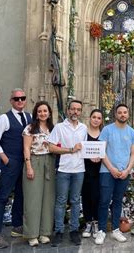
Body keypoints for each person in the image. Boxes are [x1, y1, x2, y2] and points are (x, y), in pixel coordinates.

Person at [0, 88, 31, 248]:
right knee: (2, 198)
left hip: (25, 163)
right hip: (11, 163)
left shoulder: (29, 117)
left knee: (21, 195)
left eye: (22, 98)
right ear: (11, 101)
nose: (20, 101)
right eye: (16, 99)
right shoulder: (4, 119)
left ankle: (17, 225)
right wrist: (6, 160)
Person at [94, 104, 134, 245]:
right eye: (120, 112)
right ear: (116, 114)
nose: (122, 115)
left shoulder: (132, 133)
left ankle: (115, 230)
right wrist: (111, 168)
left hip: (124, 173)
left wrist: (127, 170)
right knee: (104, 201)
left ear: (128, 114)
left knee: (118, 201)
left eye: (125, 112)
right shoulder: (107, 130)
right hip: (107, 172)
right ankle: (101, 230)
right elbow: (102, 151)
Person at [48, 100, 87, 247]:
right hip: (64, 169)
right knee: (61, 201)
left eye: (78, 109)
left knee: (76, 201)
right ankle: (58, 231)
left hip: (79, 169)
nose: (75, 112)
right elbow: (51, 147)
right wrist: (70, 149)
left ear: (81, 112)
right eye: (73, 109)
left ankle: (74, 231)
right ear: (68, 110)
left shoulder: (84, 128)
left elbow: (86, 148)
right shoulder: (59, 127)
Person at [22, 101, 55, 246]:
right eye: (40, 111)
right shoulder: (30, 128)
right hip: (34, 161)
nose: (42, 113)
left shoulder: (53, 128)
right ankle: (32, 234)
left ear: (49, 113)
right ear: (36, 113)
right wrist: (29, 166)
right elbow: (26, 148)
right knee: (32, 199)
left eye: (45, 111)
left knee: (48, 199)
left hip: (50, 162)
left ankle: (44, 232)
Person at [82, 109, 104, 239]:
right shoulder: (83, 133)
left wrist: (100, 158)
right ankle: (88, 223)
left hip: (99, 170)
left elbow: (107, 150)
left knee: (97, 197)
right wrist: (88, 157)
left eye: (99, 118)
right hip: (84, 169)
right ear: (90, 118)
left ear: (101, 121)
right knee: (86, 196)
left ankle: (96, 223)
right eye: (94, 117)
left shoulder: (103, 134)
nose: (96, 119)